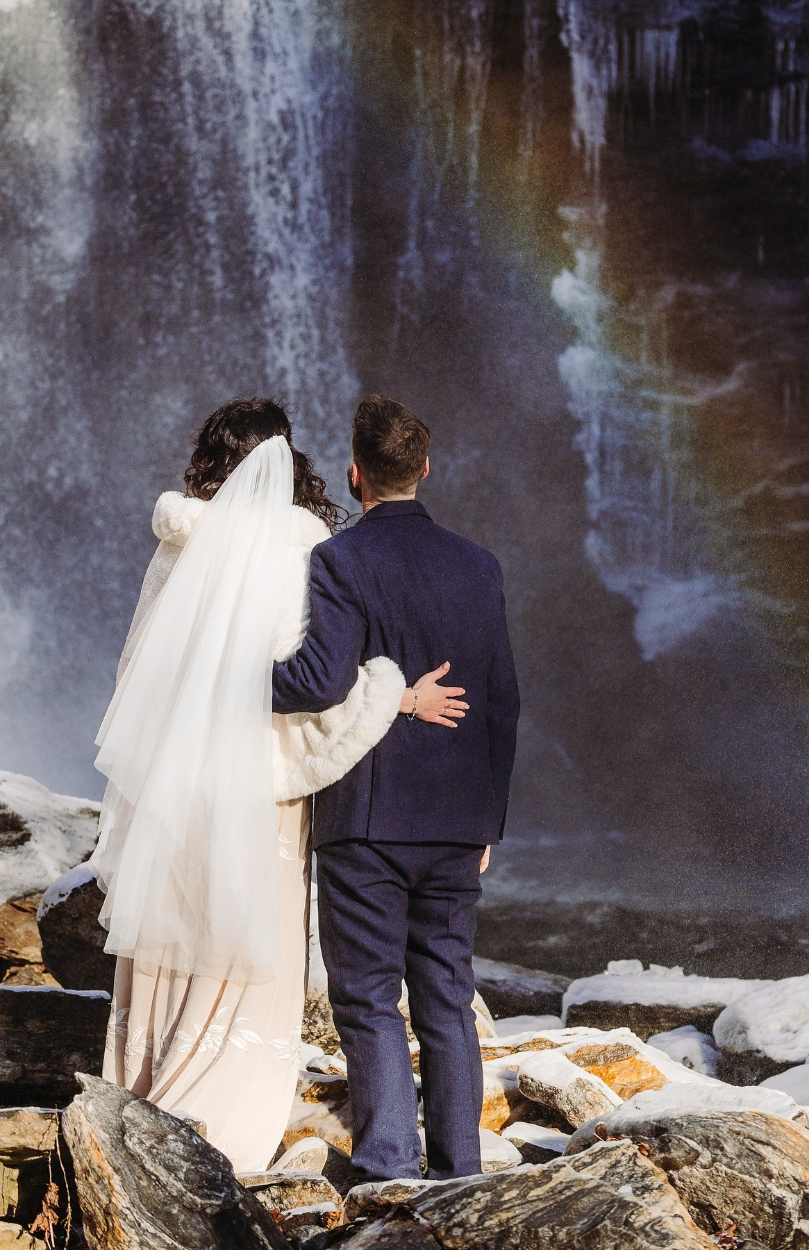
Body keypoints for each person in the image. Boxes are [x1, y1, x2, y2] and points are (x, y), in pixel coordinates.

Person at [92, 397, 464, 1172]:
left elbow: (143, 677)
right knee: (242, 952)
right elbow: (309, 690)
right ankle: (217, 1111)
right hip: (257, 801)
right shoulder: (306, 554)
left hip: (176, 786)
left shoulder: (182, 545)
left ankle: (140, 1093)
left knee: (170, 939)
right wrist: (393, 694)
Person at [272, 394, 520, 1182]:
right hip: (456, 821)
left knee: (371, 996)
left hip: (369, 819)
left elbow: (316, 683)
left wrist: (225, 674)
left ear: (355, 475)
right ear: (425, 467)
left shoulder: (341, 560)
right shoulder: (480, 564)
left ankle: (386, 1167)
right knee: (446, 997)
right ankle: (460, 1170)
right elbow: (503, 701)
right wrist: (489, 822)